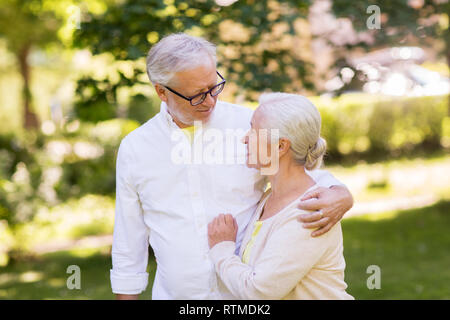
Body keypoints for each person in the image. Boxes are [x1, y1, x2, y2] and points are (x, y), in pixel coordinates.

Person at [111, 33, 354, 300]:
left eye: (214, 87)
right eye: (197, 95)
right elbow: (128, 243)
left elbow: (296, 169)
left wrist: (339, 192)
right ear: (161, 91)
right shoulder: (136, 149)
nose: (210, 100)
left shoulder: (248, 125)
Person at [208, 93, 354, 299]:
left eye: (254, 130)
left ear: (280, 146)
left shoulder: (309, 213)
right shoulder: (269, 196)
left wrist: (222, 251)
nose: (245, 138)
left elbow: (258, 292)